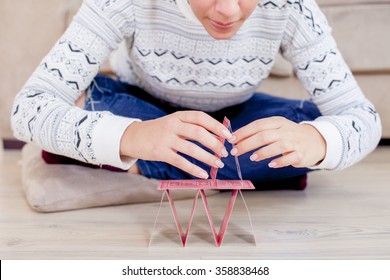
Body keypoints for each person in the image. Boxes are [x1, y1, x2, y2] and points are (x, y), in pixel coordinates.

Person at [11, 0, 381, 189]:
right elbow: (28, 110)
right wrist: (136, 135)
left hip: (232, 113)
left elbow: (362, 117)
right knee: (277, 156)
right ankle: (250, 173)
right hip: (139, 106)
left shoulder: (292, 7)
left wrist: (315, 141)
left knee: (309, 126)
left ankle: (128, 162)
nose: (227, 10)